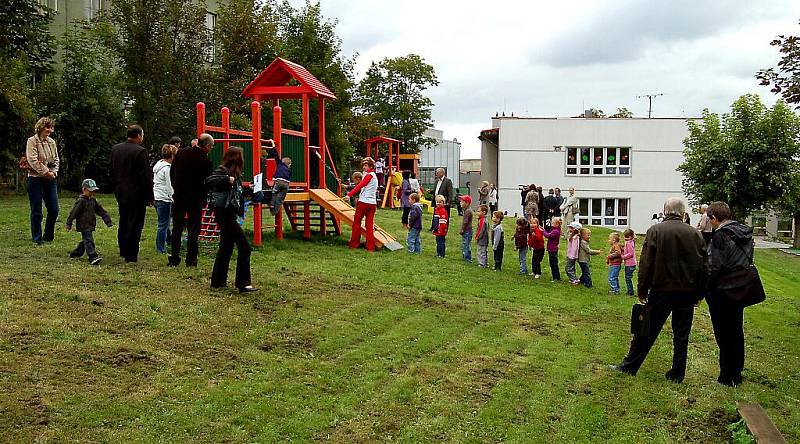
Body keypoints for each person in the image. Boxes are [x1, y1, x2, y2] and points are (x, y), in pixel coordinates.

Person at [611, 197, 707, 383]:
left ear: (665, 211)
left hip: (662, 289)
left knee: (646, 330)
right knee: (681, 334)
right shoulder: (695, 234)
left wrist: (642, 289)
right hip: (686, 291)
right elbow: (704, 266)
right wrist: (699, 293)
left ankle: (630, 365)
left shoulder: (656, 231)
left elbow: (647, 263)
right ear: (682, 212)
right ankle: (677, 373)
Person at [706, 201, 755, 387]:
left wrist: (704, 289)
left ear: (713, 218)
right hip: (740, 288)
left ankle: (727, 376)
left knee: (724, 334)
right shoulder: (744, 233)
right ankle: (736, 372)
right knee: (736, 332)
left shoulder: (721, 236)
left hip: (722, 292)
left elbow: (714, 267)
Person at [205, 147, 256, 292]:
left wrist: (249, 190)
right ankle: (243, 282)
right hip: (224, 213)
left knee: (226, 246)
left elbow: (236, 193)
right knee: (244, 247)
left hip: (228, 213)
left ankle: (217, 281)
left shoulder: (236, 174)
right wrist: (227, 179)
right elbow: (209, 180)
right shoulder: (223, 171)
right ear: (236, 159)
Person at [169, 133, 213, 267]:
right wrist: (204, 196)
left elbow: (172, 172)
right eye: (211, 146)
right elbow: (207, 182)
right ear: (207, 146)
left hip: (180, 195)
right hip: (195, 197)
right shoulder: (206, 161)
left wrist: (176, 187)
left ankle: (174, 258)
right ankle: (191, 259)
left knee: (177, 227)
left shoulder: (181, 153)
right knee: (194, 228)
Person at [111, 125, 153, 263]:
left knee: (124, 219)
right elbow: (145, 176)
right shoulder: (141, 151)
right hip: (136, 193)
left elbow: (111, 169)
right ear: (139, 135)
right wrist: (149, 196)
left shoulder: (116, 149)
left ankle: (123, 249)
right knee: (135, 223)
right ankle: (131, 253)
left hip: (120, 190)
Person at [26, 117, 60, 245]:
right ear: (40, 128)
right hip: (35, 179)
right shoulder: (32, 141)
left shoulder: (51, 142)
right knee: (37, 210)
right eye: (47, 127)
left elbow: (56, 159)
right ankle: (37, 237)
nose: (50, 130)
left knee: (54, 209)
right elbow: (33, 160)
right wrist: (46, 172)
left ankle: (48, 235)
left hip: (50, 179)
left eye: (51, 128)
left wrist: (53, 172)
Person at [66, 179, 113, 265]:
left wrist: (107, 220)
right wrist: (69, 223)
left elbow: (101, 210)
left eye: (94, 191)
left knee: (86, 240)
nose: (92, 193)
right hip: (83, 225)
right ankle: (92, 256)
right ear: (84, 190)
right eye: (90, 191)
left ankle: (76, 252)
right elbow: (73, 213)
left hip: (90, 224)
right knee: (88, 240)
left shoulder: (93, 201)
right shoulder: (80, 201)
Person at [346, 157, 378, 251]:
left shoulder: (369, 175)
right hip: (372, 204)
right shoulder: (373, 176)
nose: (363, 167)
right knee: (369, 225)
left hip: (363, 202)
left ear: (371, 166)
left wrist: (349, 194)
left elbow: (360, 185)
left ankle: (354, 244)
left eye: (365, 165)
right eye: (363, 165)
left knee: (356, 223)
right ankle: (370, 247)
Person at [153, 144, 177, 254]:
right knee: (163, 225)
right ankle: (160, 249)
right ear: (172, 156)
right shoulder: (167, 169)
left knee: (163, 223)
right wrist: (173, 197)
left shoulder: (159, 165)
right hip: (164, 198)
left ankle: (166, 242)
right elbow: (169, 185)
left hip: (157, 197)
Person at [266, 142, 292, 216]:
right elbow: (290, 177)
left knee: (274, 192)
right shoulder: (289, 169)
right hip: (286, 185)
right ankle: (274, 212)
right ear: (289, 164)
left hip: (279, 181)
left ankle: (271, 204)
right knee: (280, 199)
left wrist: (273, 145)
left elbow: (276, 155)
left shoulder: (280, 163)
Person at [621, 229, 638, 296]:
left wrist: (623, 257)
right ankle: (630, 291)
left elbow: (631, 254)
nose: (625, 238)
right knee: (628, 278)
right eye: (625, 236)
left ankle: (630, 292)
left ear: (630, 237)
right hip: (630, 264)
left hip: (630, 264)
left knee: (628, 278)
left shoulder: (629, 243)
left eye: (627, 237)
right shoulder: (630, 242)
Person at [459, 195, 473, 262]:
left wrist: (462, 230)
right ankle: (465, 256)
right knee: (465, 243)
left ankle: (467, 258)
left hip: (467, 230)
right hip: (467, 230)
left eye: (462, 201)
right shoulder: (467, 210)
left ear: (467, 203)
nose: (460, 203)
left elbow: (465, 222)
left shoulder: (468, 211)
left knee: (466, 244)